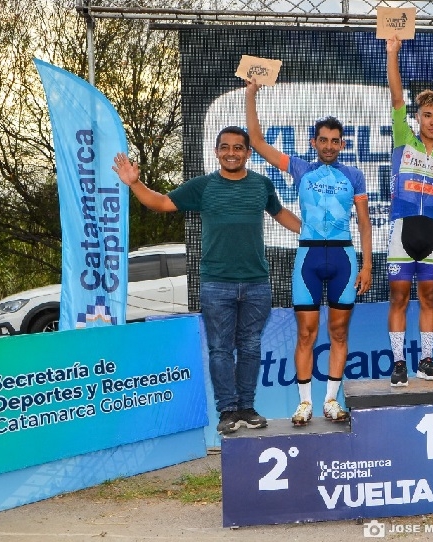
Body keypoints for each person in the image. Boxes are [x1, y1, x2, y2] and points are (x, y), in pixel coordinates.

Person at [112, 126, 302, 435]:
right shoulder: (203, 186)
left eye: (238, 148)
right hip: (216, 285)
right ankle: (227, 411)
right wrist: (135, 183)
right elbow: (161, 203)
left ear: (248, 153)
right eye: (225, 147)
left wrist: (315, 233)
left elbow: (281, 214)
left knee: (250, 348)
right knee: (220, 350)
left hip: (257, 284)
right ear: (216, 152)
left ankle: (247, 407)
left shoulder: (262, 185)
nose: (231, 153)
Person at [246, 81, 373, 426]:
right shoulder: (301, 168)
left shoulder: (354, 176)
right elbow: (256, 141)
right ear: (314, 142)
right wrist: (251, 93)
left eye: (335, 141)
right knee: (306, 333)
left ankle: (331, 401)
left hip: (344, 259)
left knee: (339, 332)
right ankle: (304, 403)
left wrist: (367, 265)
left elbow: (364, 224)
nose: (329, 146)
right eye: (323, 140)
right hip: (308, 259)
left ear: (342, 144)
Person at [385, 36, 433, 387]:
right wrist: (392, 53)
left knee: (429, 298)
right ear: (417, 117)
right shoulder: (404, 138)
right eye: (428, 115)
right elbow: (396, 97)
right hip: (402, 231)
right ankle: (399, 363)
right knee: (399, 298)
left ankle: (426, 361)